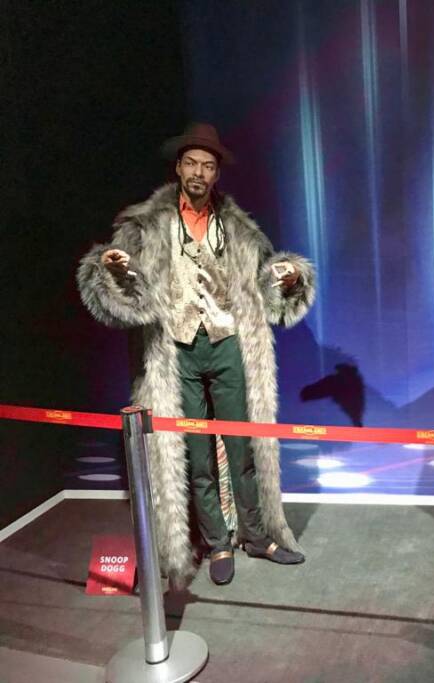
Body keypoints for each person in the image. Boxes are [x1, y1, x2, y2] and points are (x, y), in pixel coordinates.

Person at [78, 123, 315, 586]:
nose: (199, 173)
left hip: (227, 344)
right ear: (178, 167)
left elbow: (264, 285)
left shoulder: (238, 228)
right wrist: (114, 269)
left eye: (207, 166)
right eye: (191, 163)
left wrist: (285, 277)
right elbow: (120, 289)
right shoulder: (146, 226)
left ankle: (256, 535)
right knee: (199, 456)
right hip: (177, 351)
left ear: (216, 173)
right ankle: (217, 541)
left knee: (243, 447)